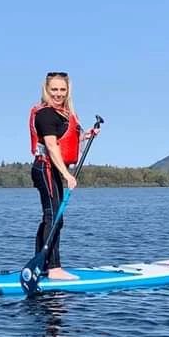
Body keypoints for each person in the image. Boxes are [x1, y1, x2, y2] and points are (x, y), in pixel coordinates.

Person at [29, 72, 99, 281]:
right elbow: (51, 146)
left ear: (68, 91)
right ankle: (54, 268)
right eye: (54, 90)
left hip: (52, 169)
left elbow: (64, 141)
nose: (58, 94)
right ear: (46, 90)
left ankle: (40, 264)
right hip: (46, 169)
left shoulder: (63, 113)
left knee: (52, 216)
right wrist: (66, 174)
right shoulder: (46, 114)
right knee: (54, 217)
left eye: (62, 90)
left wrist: (86, 135)